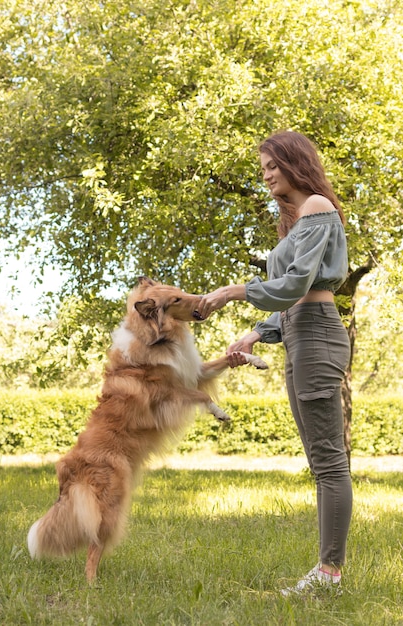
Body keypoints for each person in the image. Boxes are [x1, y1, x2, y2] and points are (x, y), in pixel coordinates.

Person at [195, 130, 352, 596]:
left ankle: (329, 574)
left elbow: (300, 284)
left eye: (271, 166)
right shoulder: (296, 221)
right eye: (262, 168)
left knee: (329, 462)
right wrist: (257, 332)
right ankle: (327, 572)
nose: (265, 175)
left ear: (293, 162)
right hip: (300, 334)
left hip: (318, 335)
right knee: (320, 461)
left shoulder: (318, 208)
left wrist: (231, 292)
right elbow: (291, 300)